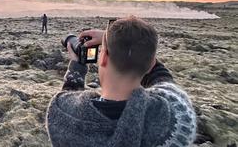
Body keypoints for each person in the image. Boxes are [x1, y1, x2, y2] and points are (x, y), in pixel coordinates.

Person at [46, 16, 196, 146]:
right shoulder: (176, 118)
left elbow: (68, 101)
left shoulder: (62, 115)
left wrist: (77, 67)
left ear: (103, 58)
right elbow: (163, 79)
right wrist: (121, 42)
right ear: (151, 64)